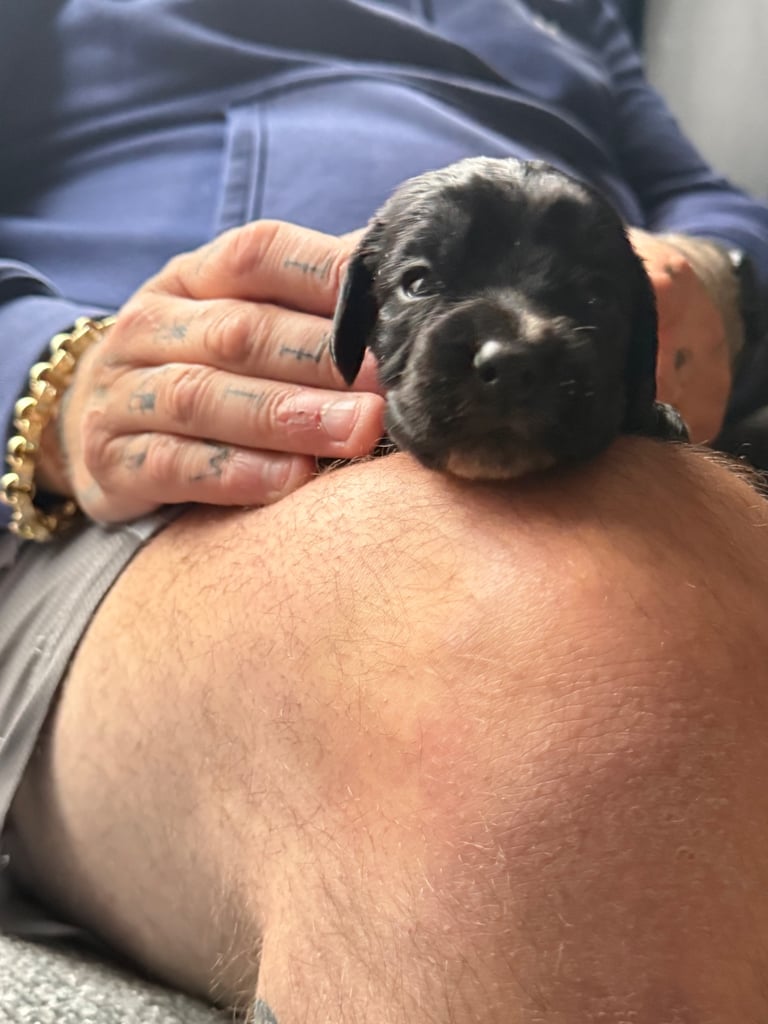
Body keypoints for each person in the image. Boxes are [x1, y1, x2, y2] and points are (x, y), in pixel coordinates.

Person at [2, 1, 768, 1020]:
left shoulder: (575, 14)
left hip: (657, 423)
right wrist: (51, 377)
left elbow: (719, 206)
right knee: (554, 665)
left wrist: (712, 277)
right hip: (142, 494)